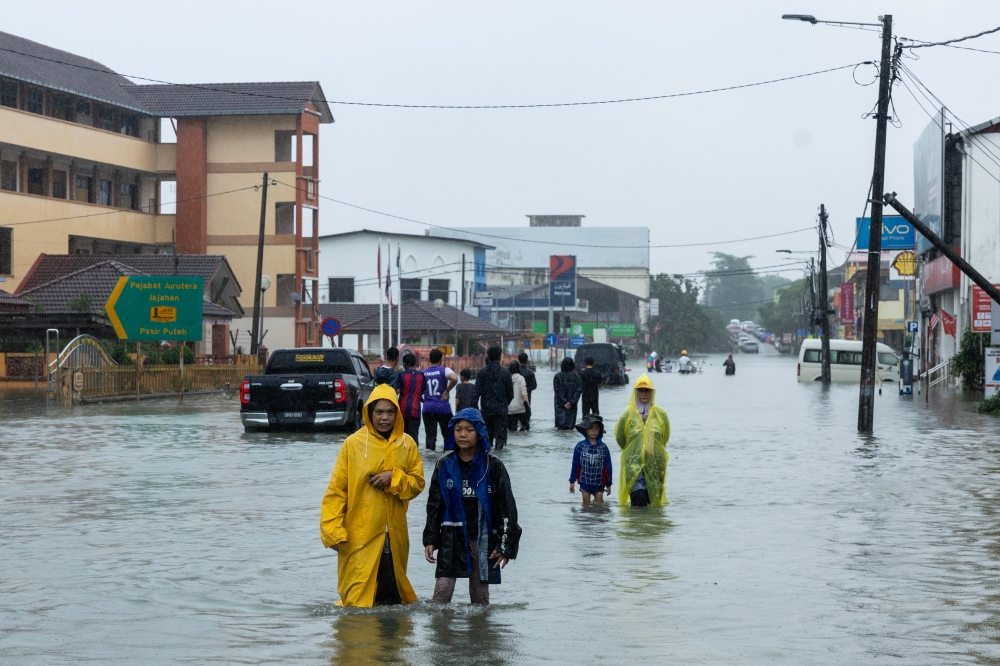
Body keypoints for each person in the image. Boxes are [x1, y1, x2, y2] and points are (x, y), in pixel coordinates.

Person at [320, 384, 426, 606]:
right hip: (359, 534)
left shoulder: (407, 444)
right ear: (369, 412)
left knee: (392, 597)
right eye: (379, 412)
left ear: (397, 413)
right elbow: (336, 492)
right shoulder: (353, 445)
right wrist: (332, 532)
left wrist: (393, 478)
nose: (385, 418)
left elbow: (417, 484)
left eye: (390, 412)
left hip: (395, 535)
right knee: (357, 599)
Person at [423, 408, 521, 605]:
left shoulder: (493, 466)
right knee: (441, 595)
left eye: (469, 429)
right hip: (451, 537)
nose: (462, 434)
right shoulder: (444, 465)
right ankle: (439, 635)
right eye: (458, 429)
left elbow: (506, 507)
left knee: (480, 598)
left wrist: (505, 546)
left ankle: (480, 634)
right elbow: (434, 505)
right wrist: (430, 538)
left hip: (482, 539)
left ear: (480, 433)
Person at [615, 374, 670, 507]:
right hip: (633, 466)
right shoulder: (627, 414)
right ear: (636, 392)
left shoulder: (660, 414)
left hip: (655, 465)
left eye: (647, 390)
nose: (644, 393)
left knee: (653, 505)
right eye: (641, 390)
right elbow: (620, 437)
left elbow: (664, 437)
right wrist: (633, 451)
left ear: (652, 392)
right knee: (638, 502)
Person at [475, 346, 514, 450]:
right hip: (501, 411)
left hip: (486, 411)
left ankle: (488, 460)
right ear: (499, 356)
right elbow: (511, 394)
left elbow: (476, 394)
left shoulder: (481, 373)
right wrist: (504, 403)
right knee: (501, 438)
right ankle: (498, 459)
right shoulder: (505, 373)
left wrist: (475, 410)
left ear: (488, 356)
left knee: (487, 437)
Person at [568, 414, 612, 507]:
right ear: (585, 430)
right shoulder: (580, 446)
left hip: (599, 483)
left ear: (600, 430)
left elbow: (608, 466)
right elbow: (575, 464)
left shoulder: (603, 447)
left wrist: (608, 483)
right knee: (585, 508)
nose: (594, 431)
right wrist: (572, 481)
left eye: (596, 428)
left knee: (599, 508)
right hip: (585, 482)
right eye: (591, 428)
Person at [421, 349, 458, 451]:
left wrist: (422, 399)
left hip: (428, 409)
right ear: (441, 360)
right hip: (443, 408)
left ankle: (429, 462)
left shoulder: (423, 373)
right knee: (448, 435)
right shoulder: (444, 370)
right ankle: (447, 457)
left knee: (430, 436)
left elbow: (417, 389)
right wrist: (447, 390)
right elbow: (454, 378)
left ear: (429, 359)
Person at [398, 352, 425, 444]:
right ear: (415, 363)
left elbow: (397, 390)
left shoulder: (401, 375)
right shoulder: (421, 375)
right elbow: (423, 390)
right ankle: (414, 456)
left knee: (402, 437)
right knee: (414, 438)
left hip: (403, 410)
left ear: (404, 364)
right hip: (416, 411)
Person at [553, 357, 582, 430]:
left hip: (560, 406)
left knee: (560, 429)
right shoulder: (577, 377)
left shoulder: (557, 376)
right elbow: (578, 391)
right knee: (570, 428)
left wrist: (564, 402)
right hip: (572, 407)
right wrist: (571, 402)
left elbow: (558, 391)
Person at [507, 360, 530, 431]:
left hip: (509, 408)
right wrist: (528, 407)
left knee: (512, 430)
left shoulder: (506, 378)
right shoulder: (521, 378)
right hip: (520, 408)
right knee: (525, 428)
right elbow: (524, 393)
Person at [517, 352, 537, 429]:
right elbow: (534, 386)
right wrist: (526, 389)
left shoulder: (515, 373)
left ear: (518, 360)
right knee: (526, 418)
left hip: (516, 399)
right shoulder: (530, 373)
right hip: (527, 399)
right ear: (527, 361)